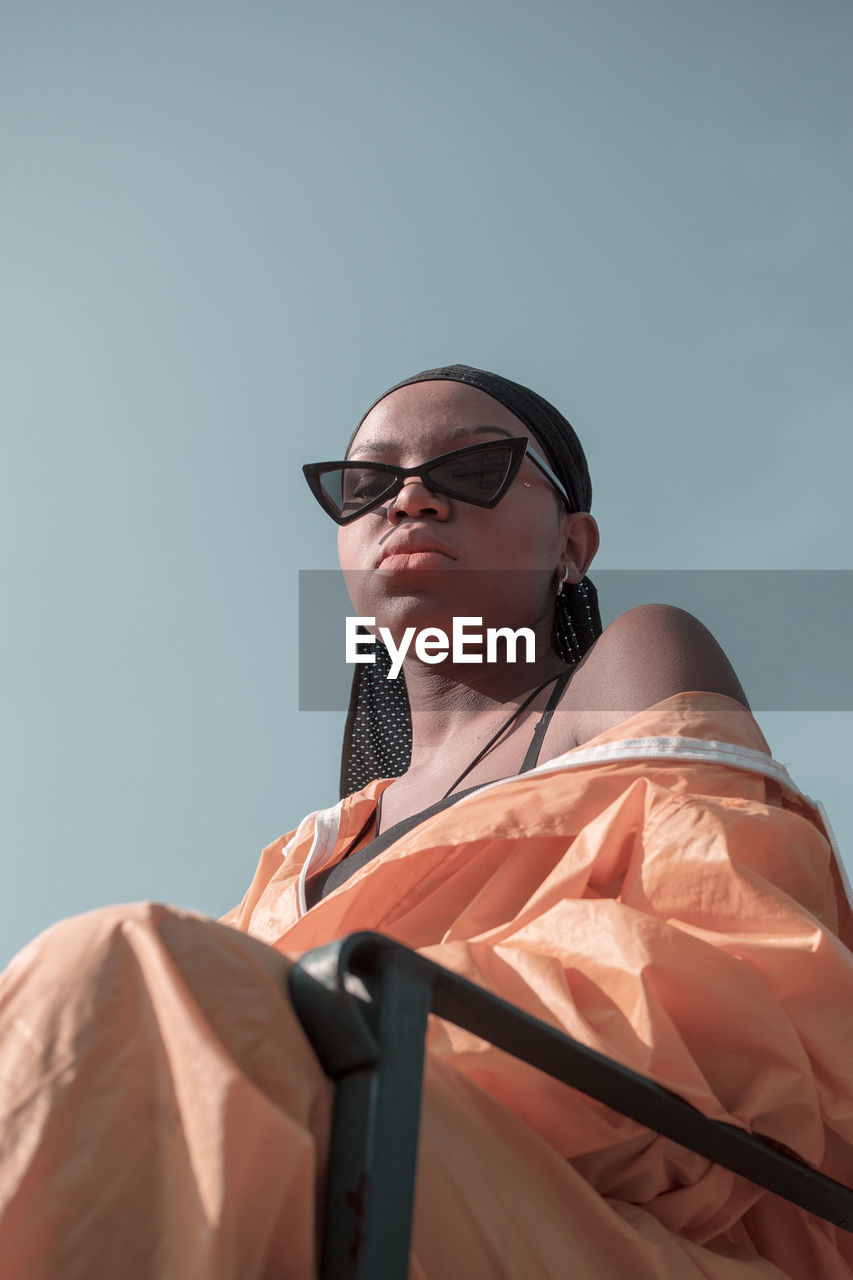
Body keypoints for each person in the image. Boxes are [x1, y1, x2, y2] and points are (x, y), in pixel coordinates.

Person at [1, 365, 852, 1279]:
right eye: (367, 485)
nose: (411, 500)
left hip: (597, 1223)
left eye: (472, 468)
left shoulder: (624, 670)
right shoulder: (303, 854)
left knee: (114, 975)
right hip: (318, 1174)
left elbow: (739, 973)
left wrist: (323, 1033)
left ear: (573, 543)